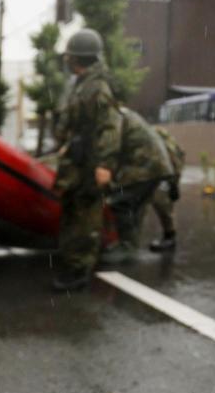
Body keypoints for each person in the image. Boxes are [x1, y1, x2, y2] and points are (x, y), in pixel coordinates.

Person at [50, 29, 122, 291]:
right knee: (72, 211)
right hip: (76, 161)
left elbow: (110, 127)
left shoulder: (98, 87)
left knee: (86, 218)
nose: (67, 60)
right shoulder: (81, 85)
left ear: (78, 58)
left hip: (90, 162)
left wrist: (105, 164)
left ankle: (80, 271)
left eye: (70, 56)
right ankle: (71, 263)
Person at [100, 106, 177, 264]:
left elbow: (112, 147)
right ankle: (129, 246)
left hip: (145, 166)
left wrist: (104, 167)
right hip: (151, 166)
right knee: (136, 206)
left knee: (120, 202)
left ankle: (127, 247)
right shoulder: (123, 114)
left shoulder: (113, 116)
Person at [146, 125, 186, 252]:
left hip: (166, 174)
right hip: (156, 173)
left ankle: (169, 236)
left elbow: (175, 160)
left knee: (161, 200)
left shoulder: (162, 141)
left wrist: (173, 182)